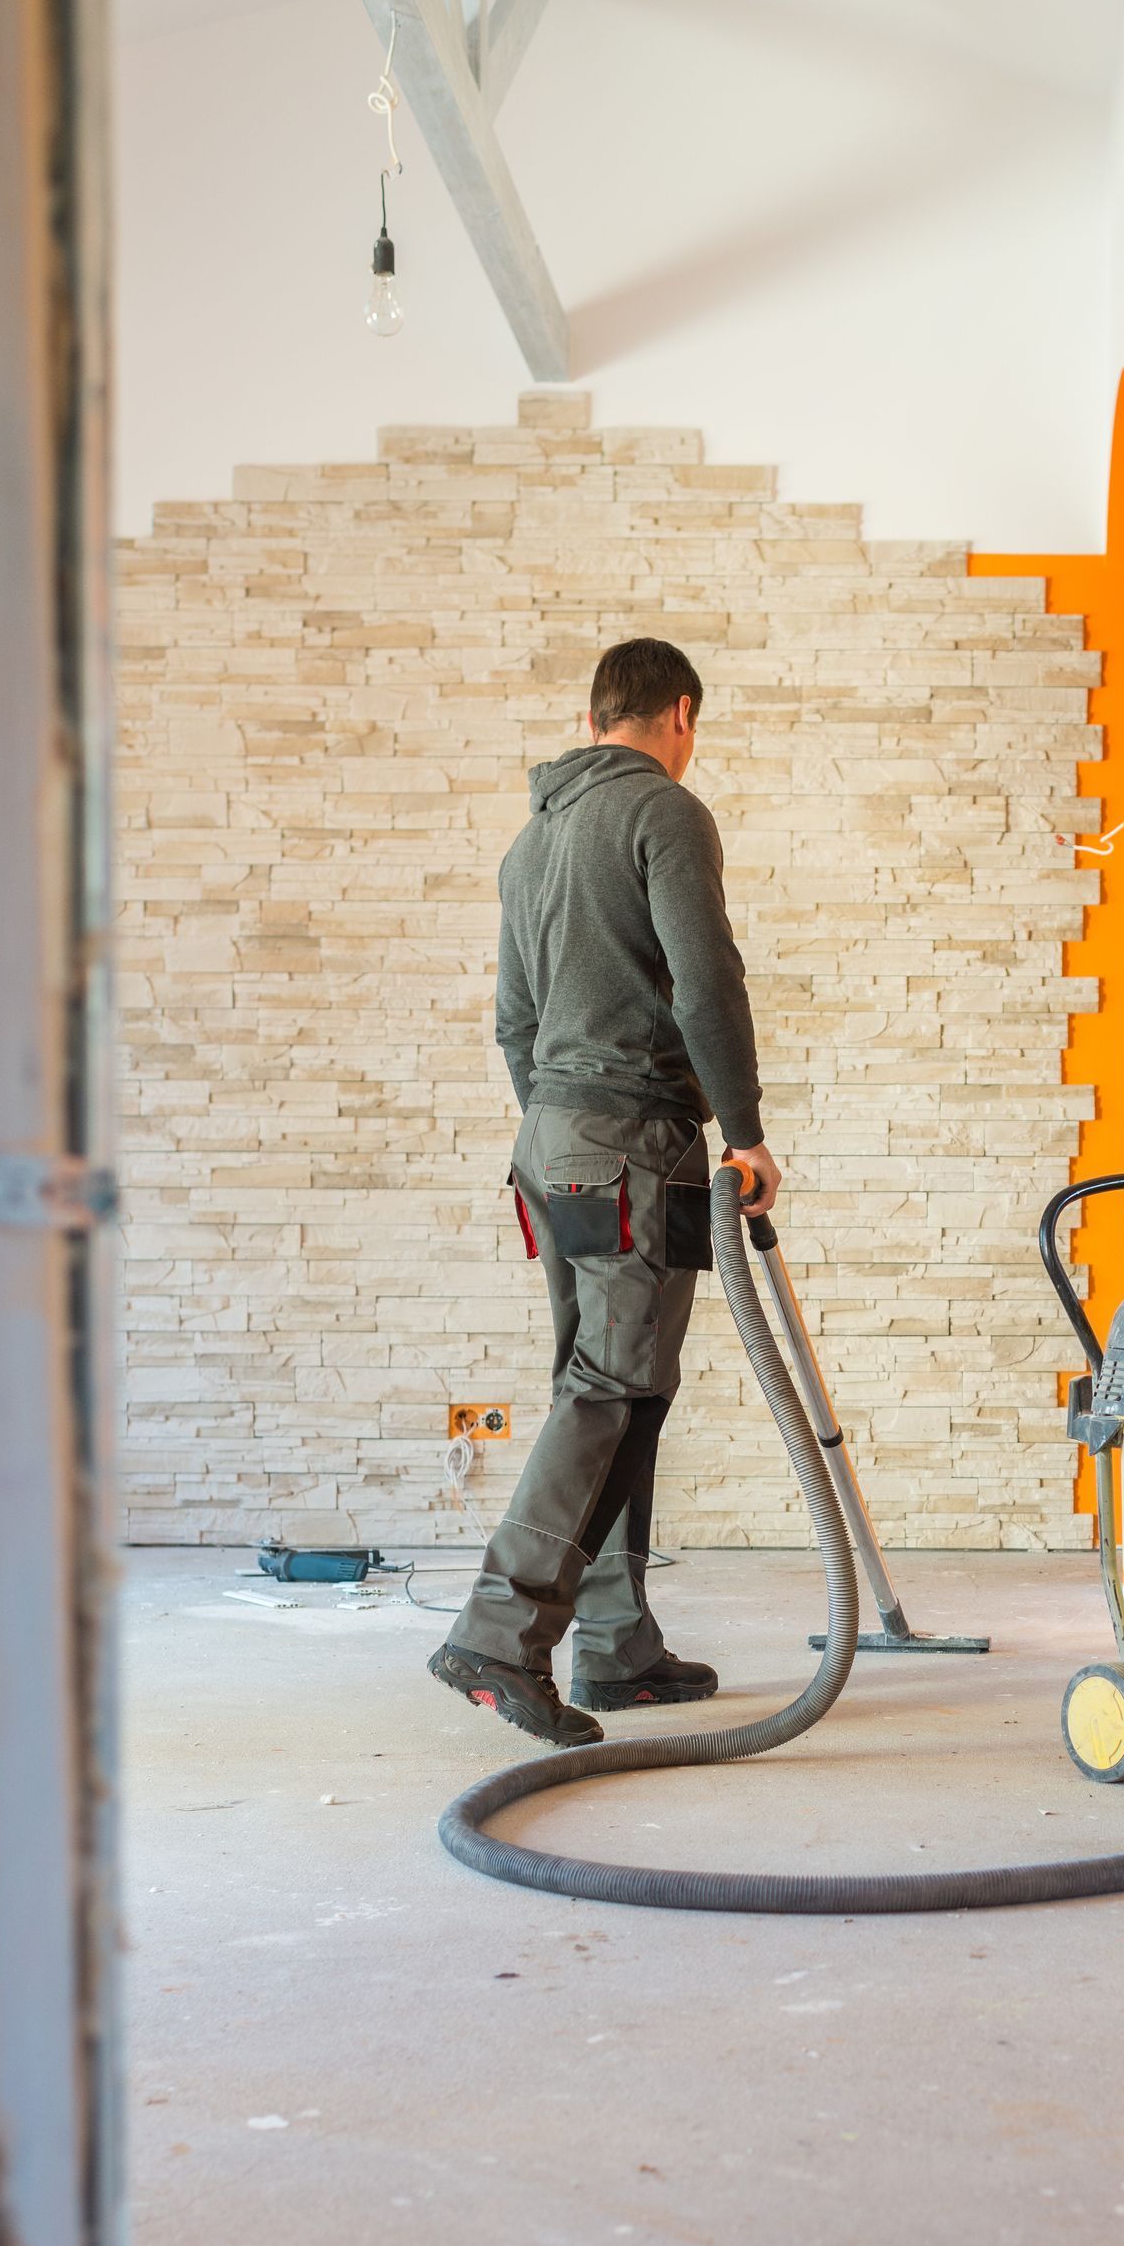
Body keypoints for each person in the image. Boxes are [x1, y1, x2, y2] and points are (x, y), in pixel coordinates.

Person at [430, 637, 779, 1747]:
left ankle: (616, 1642)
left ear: (594, 717)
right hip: (636, 1136)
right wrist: (749, 1130)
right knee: (614, 1387)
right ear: (680, 712)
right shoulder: (664, 814)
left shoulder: (533, 841)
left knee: (617, 1386)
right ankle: (499, 1630)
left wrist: (561, 1118)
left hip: (556, 1137)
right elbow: (704, 979)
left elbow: (513, 1022)